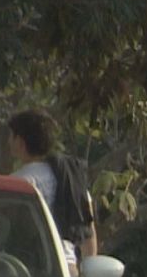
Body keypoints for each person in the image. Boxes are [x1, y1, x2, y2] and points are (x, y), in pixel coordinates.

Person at [7, 109, 99, 261]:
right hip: (67, 267)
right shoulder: (71, 181)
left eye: (11, 136)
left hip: (26, 269)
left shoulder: (16, 183)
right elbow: (89, 233)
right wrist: (89, 275)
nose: (8, 141)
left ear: (20, 142)